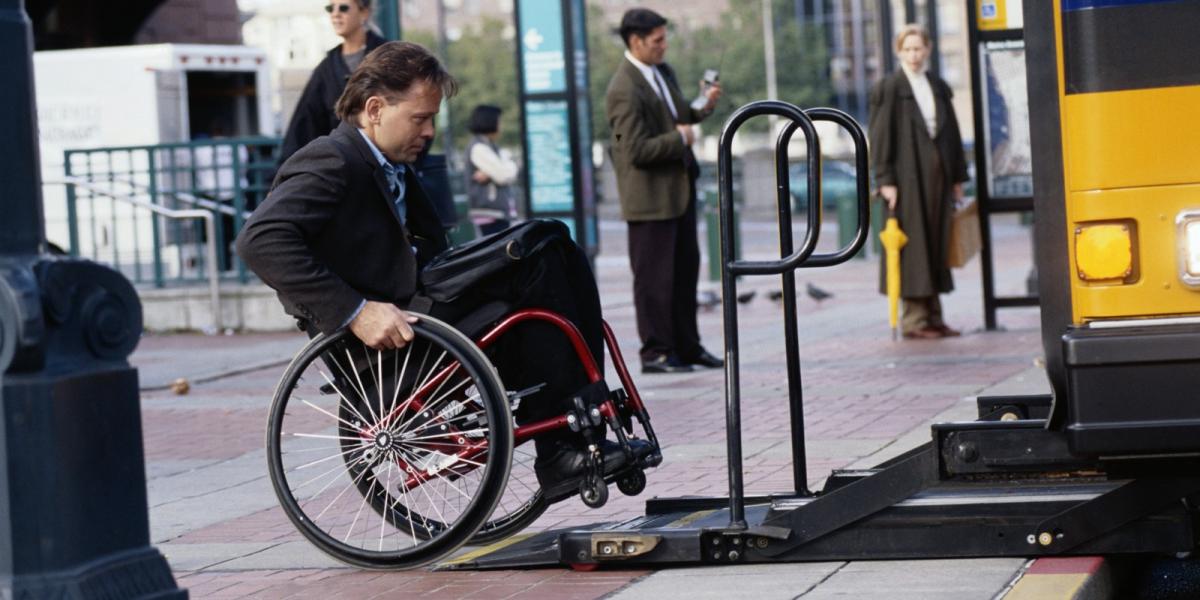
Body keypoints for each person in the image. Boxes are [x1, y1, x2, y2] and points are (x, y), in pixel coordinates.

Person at [236, 42, 643, 502]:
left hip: (425, 305)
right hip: (394, 337)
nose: (429, 131)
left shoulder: (394, 165)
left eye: (432, 119)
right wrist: (355, 311)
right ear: (374, 110)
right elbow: (259, 240)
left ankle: (584, 421)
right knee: (541, 251)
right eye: (419, 118)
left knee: (557, 247)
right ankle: (563, 450)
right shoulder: (332, 159)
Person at [605, 8, 724, 374]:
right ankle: (656, 352)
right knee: (654, 281)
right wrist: (680, 137)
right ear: (635, 41)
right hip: (649, 199)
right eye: (657, 40)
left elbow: (680, 112)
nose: (664, 45)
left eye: (664, 38)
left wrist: (702, 107)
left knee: (685, 272)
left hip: (678, 191)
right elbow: (633, 150)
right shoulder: (623, 88)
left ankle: (686, 346)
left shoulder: (661, 72)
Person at [868, 23, 969, 340]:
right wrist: (885, 179)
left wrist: (957, 178)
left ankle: (934, 316)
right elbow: (880, 137)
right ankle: (914, 319)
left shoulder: (936, 85)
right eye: (907, 49)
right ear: (900, 51)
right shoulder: (890, 87)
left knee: (936, 244)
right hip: (906, 181)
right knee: (913, 248)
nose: (913, 55)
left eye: (918, 48)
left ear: (927, 50)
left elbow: (950, 133)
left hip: (937, 181)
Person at [276, 0, 386, 168]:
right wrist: (281, 176)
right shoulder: (326, 68)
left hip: (387, 164)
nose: (335, 14)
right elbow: (304, 124)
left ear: (364, 13)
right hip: (345, 169)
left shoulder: (387, 55)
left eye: (343, 8)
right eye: (330, 8)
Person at [464, 104, 519, 236]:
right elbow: (504, 176)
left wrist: (492, 172)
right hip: (490, 214)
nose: (501, 126)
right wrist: (509, 162)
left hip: (494, 213)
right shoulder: (479, 147)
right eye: (499, 121)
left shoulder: (489, 146)